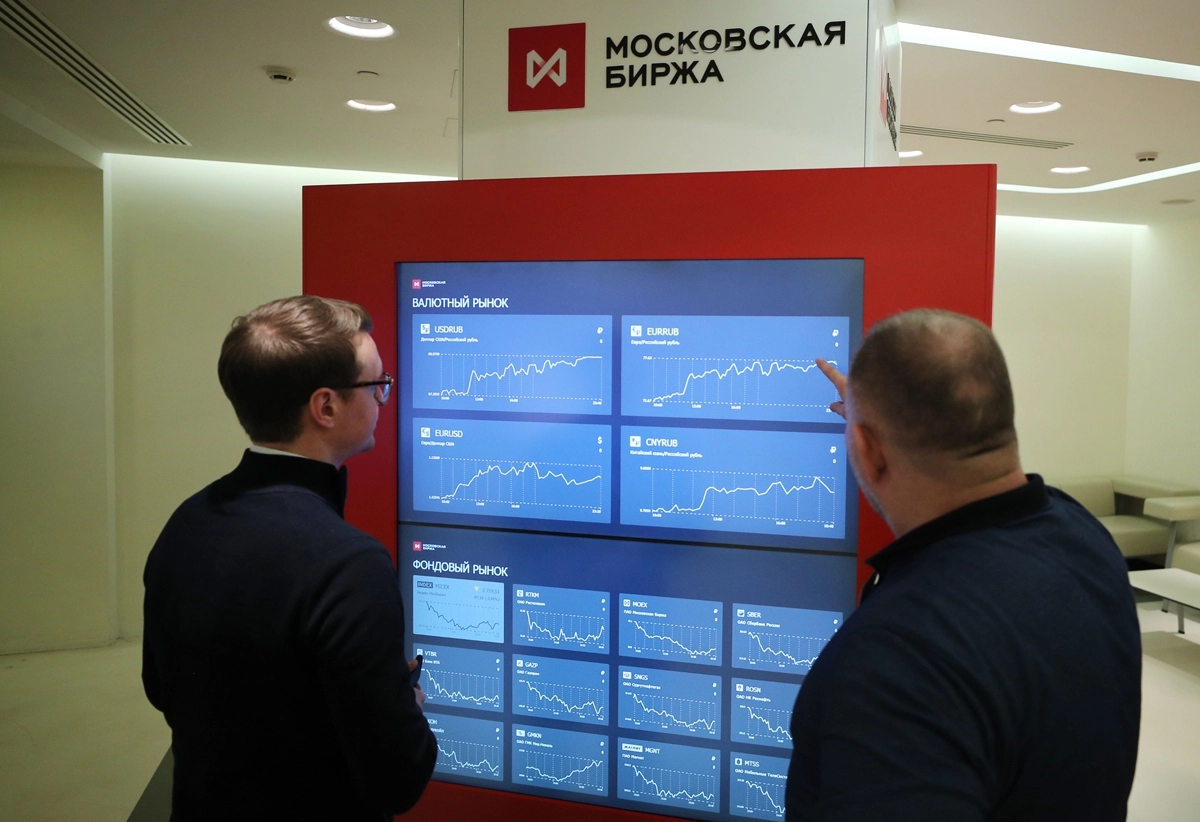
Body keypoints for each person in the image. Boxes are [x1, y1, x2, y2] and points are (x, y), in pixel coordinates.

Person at [786, 309, 1141, 821]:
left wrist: (874, 432)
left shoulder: (898, 659)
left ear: (868, 450)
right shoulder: (1084, 535)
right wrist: (872, 425)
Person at [142, 296, 436, 821]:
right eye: (377, 385)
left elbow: (160, 688)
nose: (383, 399)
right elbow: (398, 779)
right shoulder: (349, 565)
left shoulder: (187, 520)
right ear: (326, 407)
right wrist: (404, 709)